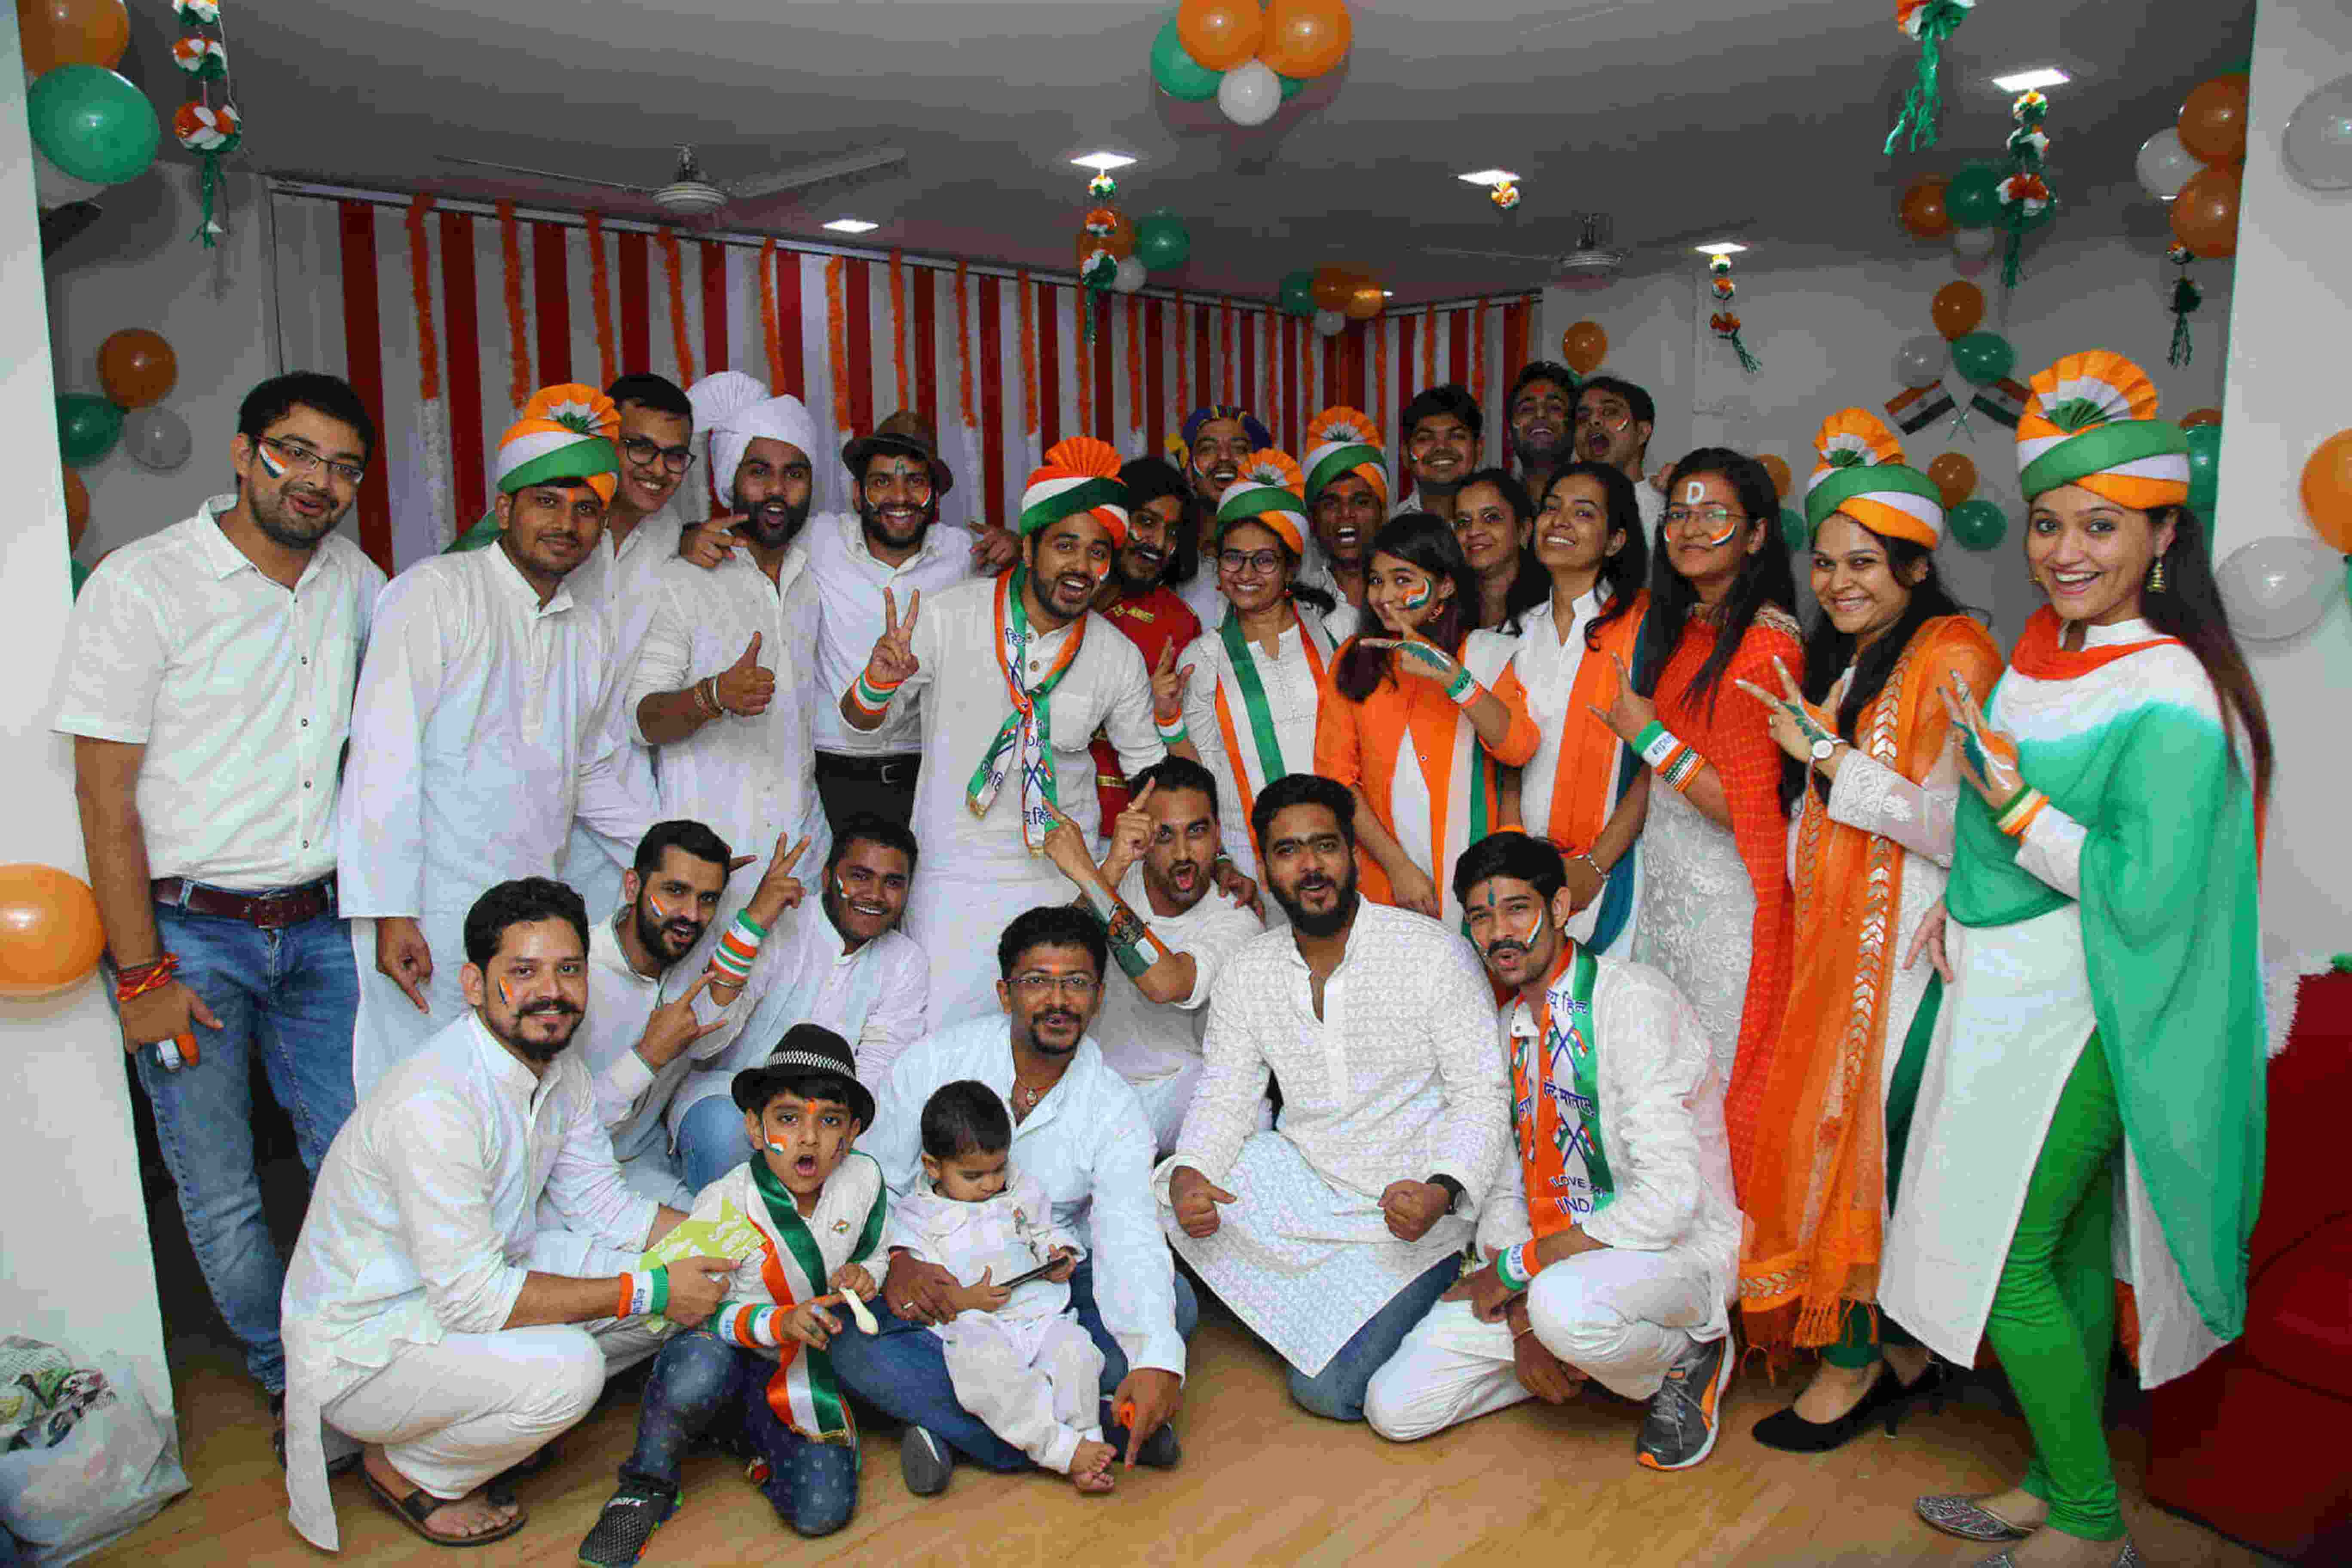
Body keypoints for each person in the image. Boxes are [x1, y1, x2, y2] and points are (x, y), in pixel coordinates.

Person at [1886, 351, 2270, 1568]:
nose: (2064, 551)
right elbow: (1995, 817)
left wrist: (2016, 812)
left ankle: (2094, 1525)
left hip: (2093, 1010)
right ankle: (2058, 1478)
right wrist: (1962, 905)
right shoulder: (2043, 652)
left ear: (2164, 535)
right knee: (2051, 1251)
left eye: (2099, 527)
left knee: (2004, 1261)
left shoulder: (2171, 686)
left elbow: (2147, 888)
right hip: (2008, 996)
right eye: (2047, 523)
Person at [52, 371, 385, 1446]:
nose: (317, 481)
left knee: (359, 1160)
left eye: (343, 467)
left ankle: (362, 1349)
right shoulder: (143, 584)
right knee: (220, 1183)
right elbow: (103, 798)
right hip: (189, 938)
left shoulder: (355, 584)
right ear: (244, 454)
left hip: (323, 928)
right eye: (295, 453)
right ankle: (290, 1378)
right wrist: (141, 974)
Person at [280, 879, 736, 1552]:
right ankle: (411, 1468)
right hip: (371, 1342)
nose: (551, 992)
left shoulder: (558, 1066)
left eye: (569, 970)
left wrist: (730, 1238)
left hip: (472, 1286)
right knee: (575, 1369)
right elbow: (472, 1300)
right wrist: (654, 1289)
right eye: (523, 972)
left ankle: (483, 1419)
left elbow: (601, 1204)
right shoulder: (434, 1104)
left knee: (680, 1276)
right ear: (474, 983)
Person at [1733, 409, 2002, 1450]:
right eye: (1828, 562)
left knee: (1858, 1151)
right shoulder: (1853, 662)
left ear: (1916, 564)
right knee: (1845, 1148)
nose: (1839, 581)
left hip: (1906, 959)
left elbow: (1957, 826)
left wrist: (1827, 758)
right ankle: (1893, 1353)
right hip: (1840, 948)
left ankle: (1853, 1364)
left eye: (1864, 563)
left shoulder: (1954, 654)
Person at [1364, 833, 1741, 1471]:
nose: (1499, 934)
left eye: (1517, 909)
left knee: (1564, 1308)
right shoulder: (1509, 1026)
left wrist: (1521, 1271)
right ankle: (1575, 1354)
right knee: (1397, 1408)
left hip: (1670, 1260)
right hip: (1550, 1277)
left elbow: (1670, 1202)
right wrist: (1521, 1325)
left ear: (1560, 908)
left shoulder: (1632, 1002)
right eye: (1480, 917)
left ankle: (1693, 1353)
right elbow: (1508, 1186)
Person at [1161, 773, 1510, 1422]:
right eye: (1288, 851)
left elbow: (1482, 1098)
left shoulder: (1433, 954)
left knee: (1326, 1391)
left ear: (1353, 852)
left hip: (1409, 1209)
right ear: (1265, 866)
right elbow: (1226, 1093)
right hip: (1308, 1189)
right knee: (1171, 1189)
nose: (1311, 867)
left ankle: (1423, 1297)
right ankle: (1325, 1304)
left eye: (1325, 846)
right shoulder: (1250, 970)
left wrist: (1441, 1190)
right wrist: (1191, 1175)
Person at [339, 384, 654, 1096]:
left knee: (516, 1092)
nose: (567, 523)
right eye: (547, 501)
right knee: (419, 1093)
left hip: (529, 914)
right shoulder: (433, 593)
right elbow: (383, 759)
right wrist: (390, 911)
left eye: (586, 509)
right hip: (428, 907)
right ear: (505, 509)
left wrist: (665, 848)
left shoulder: (587, 630)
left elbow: (588, 769)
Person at [832, 906, 1193, 1495]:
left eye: (1076, 983)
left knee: (1173, 1307)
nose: (1058, 1000)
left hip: (1042, 1293)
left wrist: (1157, 1361)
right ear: (1005, 993)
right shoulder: (935, 1062)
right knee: (850, 1342)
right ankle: (1086, 1432)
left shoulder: (1114, 1106)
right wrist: (899, 1260)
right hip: (941, 1294)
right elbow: (875, 1182)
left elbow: (1128, 1232)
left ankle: (965, 1430)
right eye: (1037, 981)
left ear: (1099, 997)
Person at [836, 437, 1165, 1026]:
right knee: (942, 1042)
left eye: (1097, 553)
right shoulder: (948, 614)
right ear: (1030, 547)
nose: (1081, 567)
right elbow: (861, 722)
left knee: (1050, 1042)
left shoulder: (1117, 656)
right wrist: (879, 681)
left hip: (1059, 885)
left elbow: (1149, 772)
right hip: (951, 880)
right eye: (1065, 545)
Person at [576, 1027, 886, 1564]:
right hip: (723, 1348)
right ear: (755, 1127)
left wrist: (866, 1274)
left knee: (822, 1512)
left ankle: (742, 1431)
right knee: (696, 1368)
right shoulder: (725, 1203)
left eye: (830, 1121)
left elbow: (875, 1250)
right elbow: (698, 1311)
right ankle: (647, 1483)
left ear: (854, 1132)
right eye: (788, 1118)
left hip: (795, 1369)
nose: (809, 1139)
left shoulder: (864, 1180)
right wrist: (776, 1323)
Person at [1593, 447, 1800, 1194]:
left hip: (1725, 908)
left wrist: (1646, 736)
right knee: (1669, 1078)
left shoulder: (1765, 643)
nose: (1689, 528)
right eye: (1678, 512)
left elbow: (1744, 806)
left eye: (1714, 513)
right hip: (1673, 893)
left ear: (1757, 533)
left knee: (1713, 1081)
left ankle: (1716, 1244)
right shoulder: (1695, 627)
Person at [626, 378, 829, 945]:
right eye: (759, 471)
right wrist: (712, 696)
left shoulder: (812, 579)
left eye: (795, 474)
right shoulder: (685, 578)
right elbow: (643, 720)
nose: (777, 490)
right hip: (705, 869)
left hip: (800, 858)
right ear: (729, 480)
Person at [669, 814, 929, 1191]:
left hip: (827, 1123)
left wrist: (820, 1137)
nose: (875, 894)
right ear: (827, 877)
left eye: (893, 883)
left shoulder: (906, 961)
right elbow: (706, 1041)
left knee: (864, 1177)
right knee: (724, 1136)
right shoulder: (779, 919)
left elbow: (875, 1073)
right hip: (728, 1100)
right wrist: (752, 926)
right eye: (860, 876)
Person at [572, 821, 821, 1209]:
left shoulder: (685, 956)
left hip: (647, 1167)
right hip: (571, 1179)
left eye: (708, 899)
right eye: (675, 891)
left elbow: (707, 1040)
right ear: (633, 887)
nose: (690, 914)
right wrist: (648, 1057)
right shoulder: (574, 973)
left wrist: (754, 921)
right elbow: (557, 1132)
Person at [882, 1081, 1113, 1492]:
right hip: (976, 1328)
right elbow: (921, 1289)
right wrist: (965, 1300)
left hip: (1038, 1312)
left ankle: (1088, 1440)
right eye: (973, 1176)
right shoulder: (916, 1216)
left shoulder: (1019, 1189)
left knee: (1077, 1352)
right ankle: (1056, 1447)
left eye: (998, 1169)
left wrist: (1058, 1253)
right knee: (988, 1379)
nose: (990, 1184)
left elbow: (1044, 1229)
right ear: (933, 1167)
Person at [1314, 514, 1538, 924]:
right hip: (1386, 880)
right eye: (1376, 580)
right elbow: (1337, 780)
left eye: (1403, 580)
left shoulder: (1485, 653)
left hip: (1477, 875)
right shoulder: (1355, 658)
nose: (1385, 596)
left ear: (1446, 586)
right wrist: (1398, 868)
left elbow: (1518, 748)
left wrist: (1454, 679)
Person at [1037, 756, 1262, 1154]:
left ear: (1218, 835)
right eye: (1164, 835)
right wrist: (1113, 866)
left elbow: (1166, 984)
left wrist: (1088, 874)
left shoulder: (1237, 918)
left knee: (1253, 1114)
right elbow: (1052, 971)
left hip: (1178, 1091)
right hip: (1094, 1085)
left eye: (1197, 832)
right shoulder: (1113, 878)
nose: (1183, 853)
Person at [1179, 448, 1354, 883]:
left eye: (1264, 560)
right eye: (1233, 558)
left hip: (1344, 846)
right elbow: (1200, 776)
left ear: (1290, 568)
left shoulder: (1338, 630)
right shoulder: (1201, 658)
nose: (1246, 573)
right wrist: (1221, 861)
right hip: (1247, 860)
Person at [1501, 462, 1653, 959]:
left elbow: (1655, 765)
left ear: (1616, 540)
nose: (1560, 521)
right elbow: (1505, 752)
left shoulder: (1646, 628)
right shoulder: (1513, 632)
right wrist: (1514, 849)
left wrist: (1595, 866)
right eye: (1552, 508)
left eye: (1583, 513)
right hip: (1525, 868)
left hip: (1615, 869)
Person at [808, 410, 979, 831]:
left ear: (934, 494)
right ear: (857, 493)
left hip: (926, 772)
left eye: (915, 481)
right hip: (832, 767)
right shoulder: (819, 540)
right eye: (882, 481)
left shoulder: (964, 553)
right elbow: (755, 536)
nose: (899, 497)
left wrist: (1014, 545)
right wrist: (691, 536)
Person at [1088, 456, 1202, 829]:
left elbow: (1187, 748)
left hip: (1132, 825)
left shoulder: (1178, 623)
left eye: (1173, 533)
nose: (1159, 543)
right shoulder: (1060, 595)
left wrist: (1158, 710)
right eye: (1146, 522)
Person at [1170, 404, 1273, 629]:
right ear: (1189, 472)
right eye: (1208, 449)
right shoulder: (1168, 556)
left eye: (1239, 449)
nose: (1225, 458)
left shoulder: (1287, 554)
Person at [1302, 405, 1388, 616]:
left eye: (1361, 502)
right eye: (1331, 504)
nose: (1346, 514)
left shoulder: (1407, 595)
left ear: (1383, 514)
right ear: (1312, 520)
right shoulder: (1297, 604)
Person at [1450, 467, 1550, 632]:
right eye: (1463, 523)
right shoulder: (1445, 613)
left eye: (1491, 518)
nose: (1474, 531)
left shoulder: (1551, 612)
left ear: (1524, 530)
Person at [1574, 375, 1665, 542]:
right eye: (1583, 418)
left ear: (1642, 433)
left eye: (1609, 412)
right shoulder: (1563, 501)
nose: (1593, 421)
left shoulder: (1669, 502)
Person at [1393, 383, 1481, 522]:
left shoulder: (1504, 524)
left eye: (1456, 436)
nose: (1441, 447)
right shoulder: (1389, 527)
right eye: (1425, 439)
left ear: (1478, 449)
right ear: (1405, 455)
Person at [1506, 359, 1580, 504]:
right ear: (1509, 434)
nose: (1540, 415)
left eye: (1555, 408)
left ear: (1575, 429)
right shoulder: (1496, 508)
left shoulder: (1600, 504)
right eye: (1527, 409)